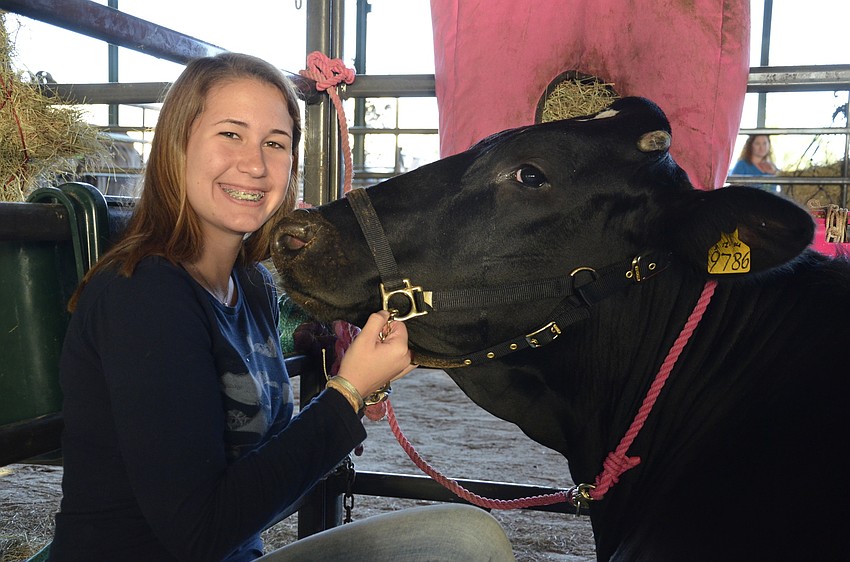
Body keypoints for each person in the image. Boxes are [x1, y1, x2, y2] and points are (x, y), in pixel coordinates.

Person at [48, 52, 515, 562]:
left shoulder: (248, 285)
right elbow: (198, 532)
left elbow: (259, 481)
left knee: (468, 539)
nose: (255, 163)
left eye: (276, 143)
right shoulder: (144, 294)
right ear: (177, 144)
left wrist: (349, 374)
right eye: (231, 134)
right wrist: (348, 392)